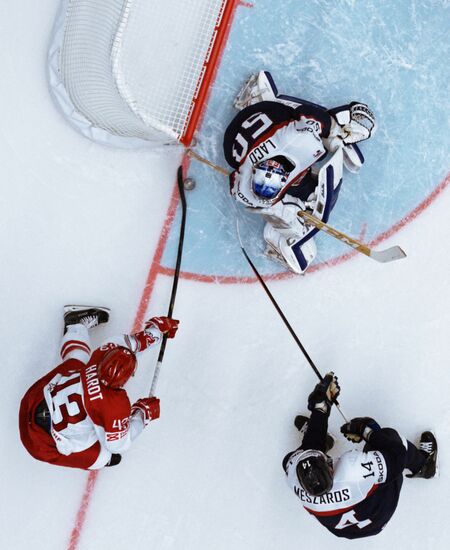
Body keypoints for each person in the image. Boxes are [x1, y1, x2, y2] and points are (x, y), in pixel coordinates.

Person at [223, 70, 377, 274]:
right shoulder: (246, 192)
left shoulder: (295, 139)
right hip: (237, 140)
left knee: (322, 133)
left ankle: (259, 97)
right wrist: (283, 209)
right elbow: (235, 178)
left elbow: (310, 115)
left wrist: (336, 127)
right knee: (305, 190)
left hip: (269, 112)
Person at [19, 305, 179, 470]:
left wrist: (156, 329)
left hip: (32, 399)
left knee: (78, 360)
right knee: (107, 457)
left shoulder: (105, 352)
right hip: (37, 442)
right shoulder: (114, 406)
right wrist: (142, 414)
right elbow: (118, 445)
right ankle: (75, 326)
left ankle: (76, 326)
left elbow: (135, 343)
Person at [282, 373, 438, 539]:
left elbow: (308, 447)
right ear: (330, 469)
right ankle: (424, 466)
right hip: (380, 510)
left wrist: (320, 409)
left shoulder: (292, 474)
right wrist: (367, 431)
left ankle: (322, 441)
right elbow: (397, 456)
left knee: (296, 454)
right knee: (390, 438)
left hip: (346, 530)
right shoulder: (353, 470)